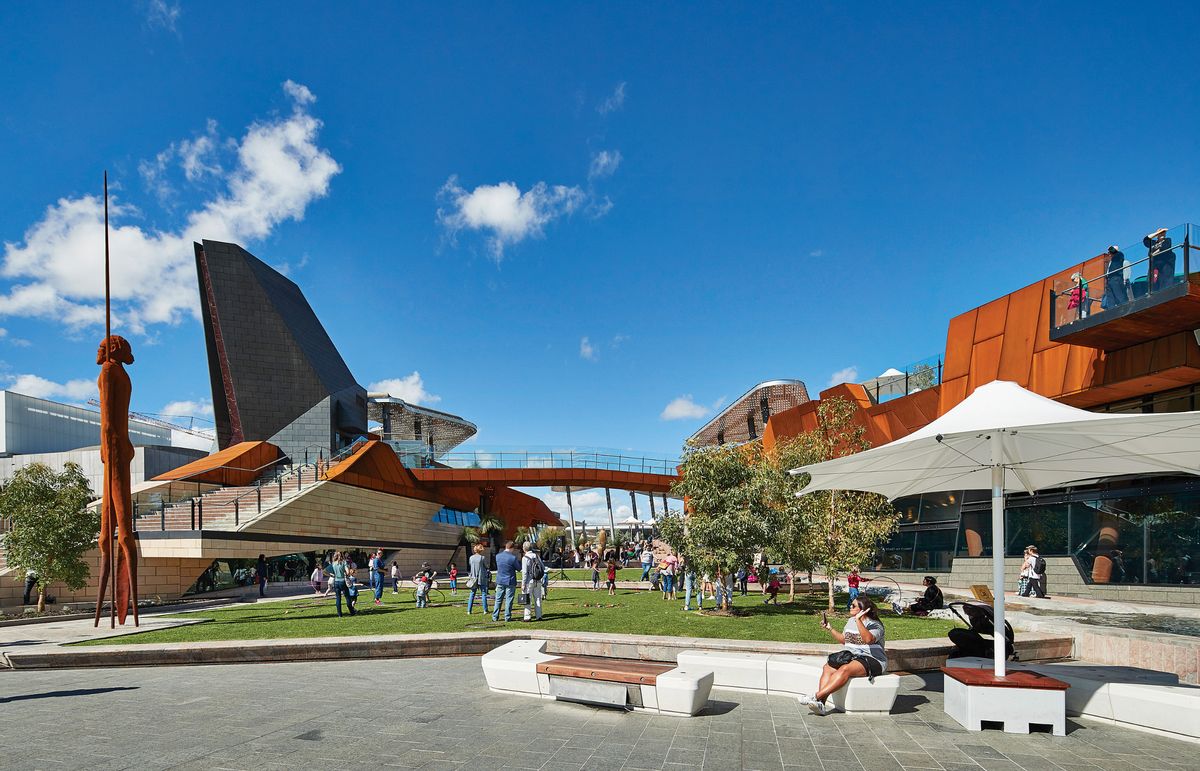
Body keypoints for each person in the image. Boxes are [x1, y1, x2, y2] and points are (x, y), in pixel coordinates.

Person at [799, 597, 887, 716]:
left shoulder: (875, 625)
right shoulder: (851, 621)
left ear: (863, 609)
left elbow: (868, 640)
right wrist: (830, 628)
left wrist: (858, 620)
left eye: (854, 606)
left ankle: (816, 696)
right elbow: (844, 640)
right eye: (851, 604)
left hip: (873, 659)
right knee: (828, 667)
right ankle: (821, 703)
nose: (850, 607)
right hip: (853, 656)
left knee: (845, 669)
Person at [492, 541, 520, 623]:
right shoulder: (513, 558)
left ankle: (495, 616)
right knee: (509, 599)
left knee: (498, 599)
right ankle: (507, 617)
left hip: (500, 580)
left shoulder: (498, 556)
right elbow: (518, 568)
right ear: (512, 548)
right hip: (510, 581)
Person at [1145, 228, 1176, 292]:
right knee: (1153, 283)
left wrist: (1153, 253)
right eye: (1161, 232)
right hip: (1155, 267)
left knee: (1165, 284)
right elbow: (1145, 240)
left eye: (1164, 232)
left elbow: (1164, 248)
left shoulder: (1167, 240)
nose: (1162, 233)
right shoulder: (1153, 243)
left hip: (1165, 265)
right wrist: (1157, 233)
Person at [522, 542, 546, 621]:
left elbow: (525, 572)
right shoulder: (536, 556)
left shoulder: (525, 558)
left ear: (524, 549)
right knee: (538, 598)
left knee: (527, 599)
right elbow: (542, 567)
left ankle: (527, 616)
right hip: (537, 580)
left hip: (529, 581)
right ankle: (539, 616)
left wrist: (523, 584)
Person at [326, 552, 355, 617]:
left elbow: (325, 571)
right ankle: (352, 612)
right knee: (347, 597)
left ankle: (339, 614)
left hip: (336, 582)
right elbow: (347, 572)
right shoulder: (344, 562)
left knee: (338, 598)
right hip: (342, 581)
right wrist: (348, 573)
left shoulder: (333, 563)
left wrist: (332, 575)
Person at [1101, 245, 1128, 310]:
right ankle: (1111, 310)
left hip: (1116, 278)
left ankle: (1124, 308)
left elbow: (1113, 251)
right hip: (1110, 280)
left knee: (1119, 295)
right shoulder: (1112, 260)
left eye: (1110, 252)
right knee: (1110, 297)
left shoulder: (1119, 255)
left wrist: (1110, 248)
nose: (1109, 254)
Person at [466, 543, 490, 615]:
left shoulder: (471, 558)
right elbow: (486, 566)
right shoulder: (482, 558)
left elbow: (470, 565)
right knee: (483, 594)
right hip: (482, 578)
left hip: (473, 578)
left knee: (472, 594)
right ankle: (485, 610)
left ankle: (469, 610)